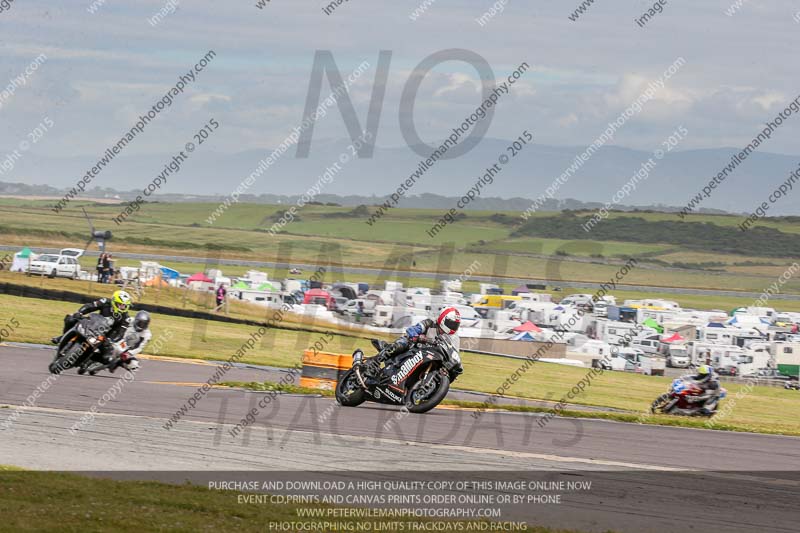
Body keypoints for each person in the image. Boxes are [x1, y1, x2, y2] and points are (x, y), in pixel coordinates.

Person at [380, 307, 462, 364]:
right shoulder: (430, 323)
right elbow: (411, 330)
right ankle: (379, 358)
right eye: (451, 324)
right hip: (414, 350)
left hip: (432, 357)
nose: (452, 327)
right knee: (406, 341)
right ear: (442, 319)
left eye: (455, 325)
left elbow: (454, 352)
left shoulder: (454, 337)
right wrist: (418, 337)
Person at [51, 290, 133, 346]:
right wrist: (79, 312)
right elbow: (90, 306)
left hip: (106, 336)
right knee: (70, 318)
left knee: (107, 356)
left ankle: (92, 364)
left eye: (124, 306)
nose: (123, 307)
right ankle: (63, 337)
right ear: (114, 302)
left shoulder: (126, 318)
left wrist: (111, 340)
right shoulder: (105, 302)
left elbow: (121, 333)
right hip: (93, 325)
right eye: (120, 305)